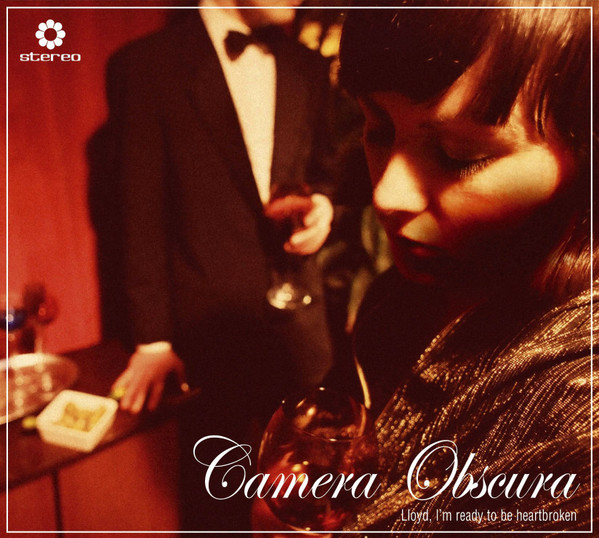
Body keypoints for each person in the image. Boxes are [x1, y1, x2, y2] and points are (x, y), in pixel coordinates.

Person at [333, 0, 597, 534]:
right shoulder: (403, 292)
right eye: (377, 128)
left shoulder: (581, 408)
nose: (387, 196)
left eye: (461, 155)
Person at [102, 0, 336, 530]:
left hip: (302, 325)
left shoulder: (306, 64)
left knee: (311, 506)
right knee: (217, 511)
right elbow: (137, 209)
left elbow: (323, 171)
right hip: (206, 337)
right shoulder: (145, 65)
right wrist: (152, 339)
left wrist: (322, 208)